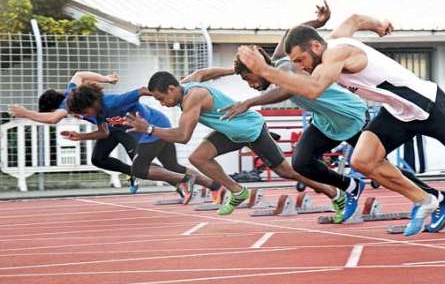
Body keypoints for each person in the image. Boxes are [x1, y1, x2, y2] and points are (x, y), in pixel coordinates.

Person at [236, 14, 445, 243]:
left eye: (299, 60)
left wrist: (265, 69)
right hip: (397, 112)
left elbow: (313, 89)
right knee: (363, 160)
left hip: (427, 105)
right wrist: (376, 24)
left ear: (315, 48)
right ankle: (424, 199)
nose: (298, 66)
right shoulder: (332, 41)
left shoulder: (337, 53)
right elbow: (352, 18)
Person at [125, 71, 340, 217]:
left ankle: (333, 193)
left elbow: (183, 136)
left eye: (162, 98)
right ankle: (238, 192)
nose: (162, 103)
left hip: (250, 130)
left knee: (286, 171)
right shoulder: (187, 82)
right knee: (197, 158)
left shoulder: (193, 98)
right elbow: (205, 72)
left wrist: (150, 129)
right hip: (229, 132)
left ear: (172, 89)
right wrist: (233, 69)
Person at [65, 84, 220, 203]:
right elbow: (103, 133)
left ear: (93, 103)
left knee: (138, 169)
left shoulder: (114, 101)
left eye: (85, 112)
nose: (85, 116)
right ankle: (215, 186)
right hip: (149, 130)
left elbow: (142, 90)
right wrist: (80, 136)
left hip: (153, 126)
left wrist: (166, 98)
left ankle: (185, 180)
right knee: (173, 166)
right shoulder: (98, 113)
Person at [8, 71, 139, 188]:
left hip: (124, 125)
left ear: (53, 109)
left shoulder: (65, 105)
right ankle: (132, 172)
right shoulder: (71, 91)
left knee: (142, 163)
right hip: (108, 127)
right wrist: (106, 79)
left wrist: (25, 113)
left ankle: (154, 177)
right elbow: (79, 75)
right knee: (98, 159)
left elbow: (53, 118)